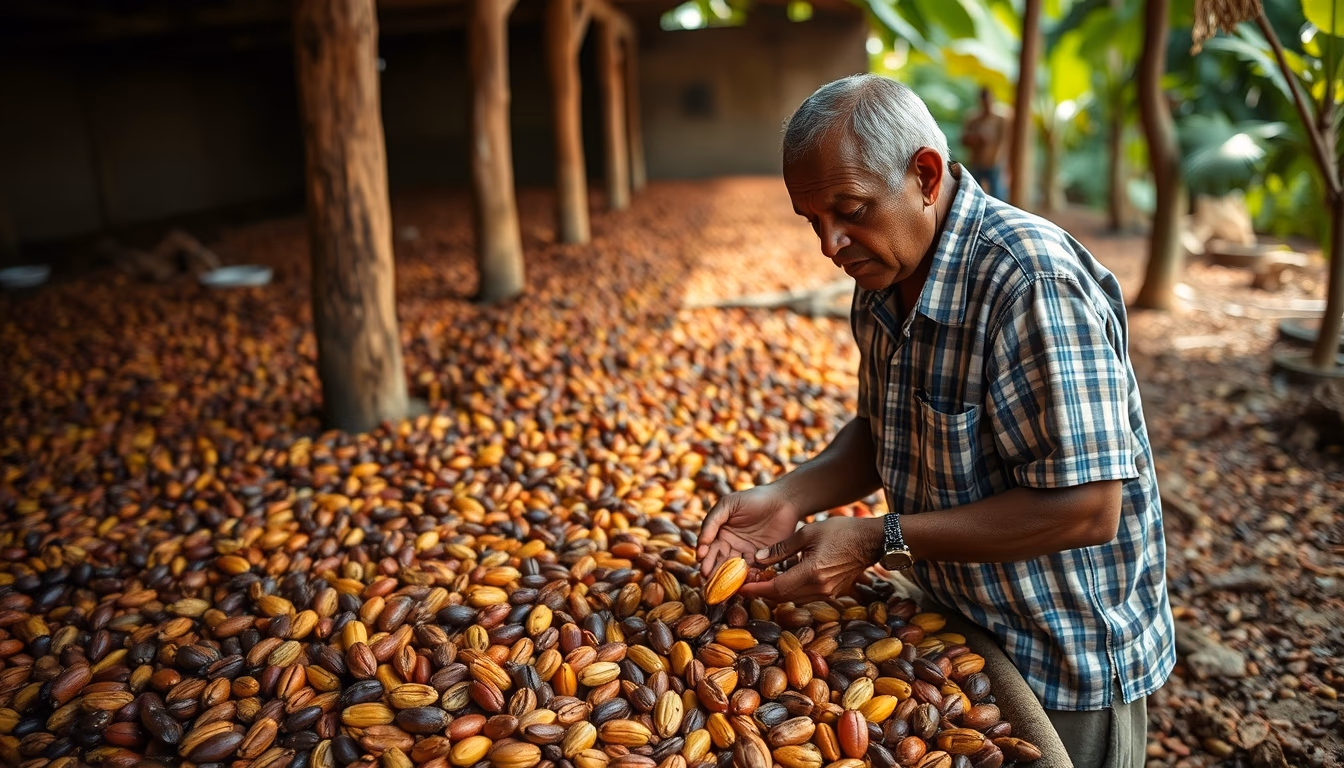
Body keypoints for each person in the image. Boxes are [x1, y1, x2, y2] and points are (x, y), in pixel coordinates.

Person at [696, 74, 1172, 768]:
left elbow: (1086, 510)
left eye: (849, 210)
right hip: (954, 625)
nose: (831, 244)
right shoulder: (881, 276)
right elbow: (886, 430)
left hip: (1062, 655)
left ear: (924, 174)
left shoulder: (1027, 282)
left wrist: (874, 541)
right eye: (812, 221)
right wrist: (790, 496)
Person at [961, 87, 1010, 199]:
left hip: (994, 163)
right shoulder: (973, 119)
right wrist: (977, 139)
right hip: (976, 163)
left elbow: (1004, 142)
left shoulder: (1000, 120)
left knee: (997, 195)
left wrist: (1000, 160)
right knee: (973, 195)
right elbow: (963, 140)